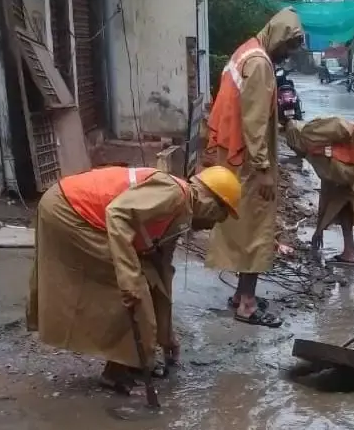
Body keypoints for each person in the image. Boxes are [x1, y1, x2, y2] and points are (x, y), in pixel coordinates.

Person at [27, 165, 242, 393]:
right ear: (211, 204)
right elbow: (117, 215)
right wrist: (129, 280)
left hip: (74, 207)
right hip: (68, 210)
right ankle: (117, 372)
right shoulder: (174, 194)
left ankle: (130, 360)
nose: (215, 224)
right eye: (222, 215)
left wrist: (166, 334)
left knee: (143, 281)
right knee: (133, 291)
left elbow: (161, 272)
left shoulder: (178, 214)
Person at [203, 7, 304, 327]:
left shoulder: (246, 51)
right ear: (277, 36)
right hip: (248, 161)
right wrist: (263, 169)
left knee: (240, 227)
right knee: (256, 232)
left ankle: (238, 295)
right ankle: (247, 304)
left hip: (231, 155)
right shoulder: (260, 65)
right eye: (287, 47)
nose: (286, 55)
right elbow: (255, 122)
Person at [282, 116, 354, 290]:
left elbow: (342, 125)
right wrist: (319, 228)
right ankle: (350, 253)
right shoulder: (311, 153)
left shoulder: (308, 133)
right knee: (342, 201)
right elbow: (329, 190)